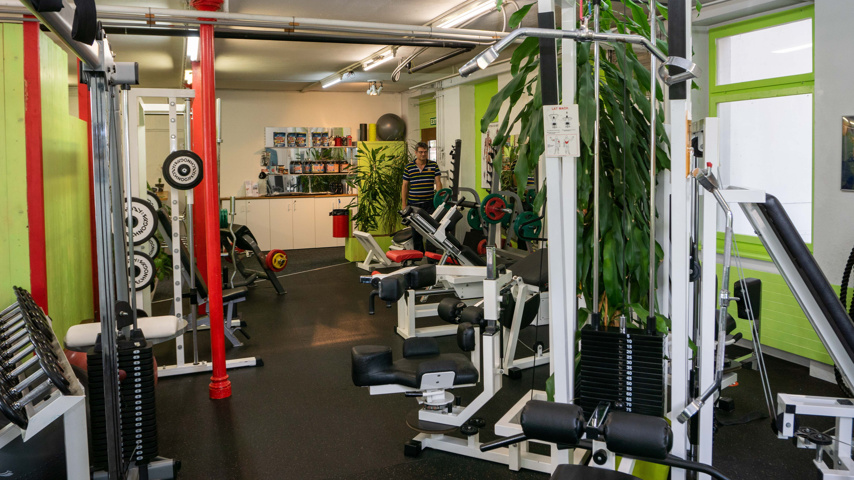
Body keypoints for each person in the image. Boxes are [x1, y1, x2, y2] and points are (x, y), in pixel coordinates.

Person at [402, 142, 442, 253]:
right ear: (416, 152)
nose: (423, 154)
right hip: (414, 204)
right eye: (420, 152)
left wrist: (439, 200)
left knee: (432, 229)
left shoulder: (433, 165)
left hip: (429, 203)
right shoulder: (409, 167)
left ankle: (431, 255)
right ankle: (419, 255)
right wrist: (404, 204)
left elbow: (438, 182)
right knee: (416, 231)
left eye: (425, 152)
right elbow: (404, 186)